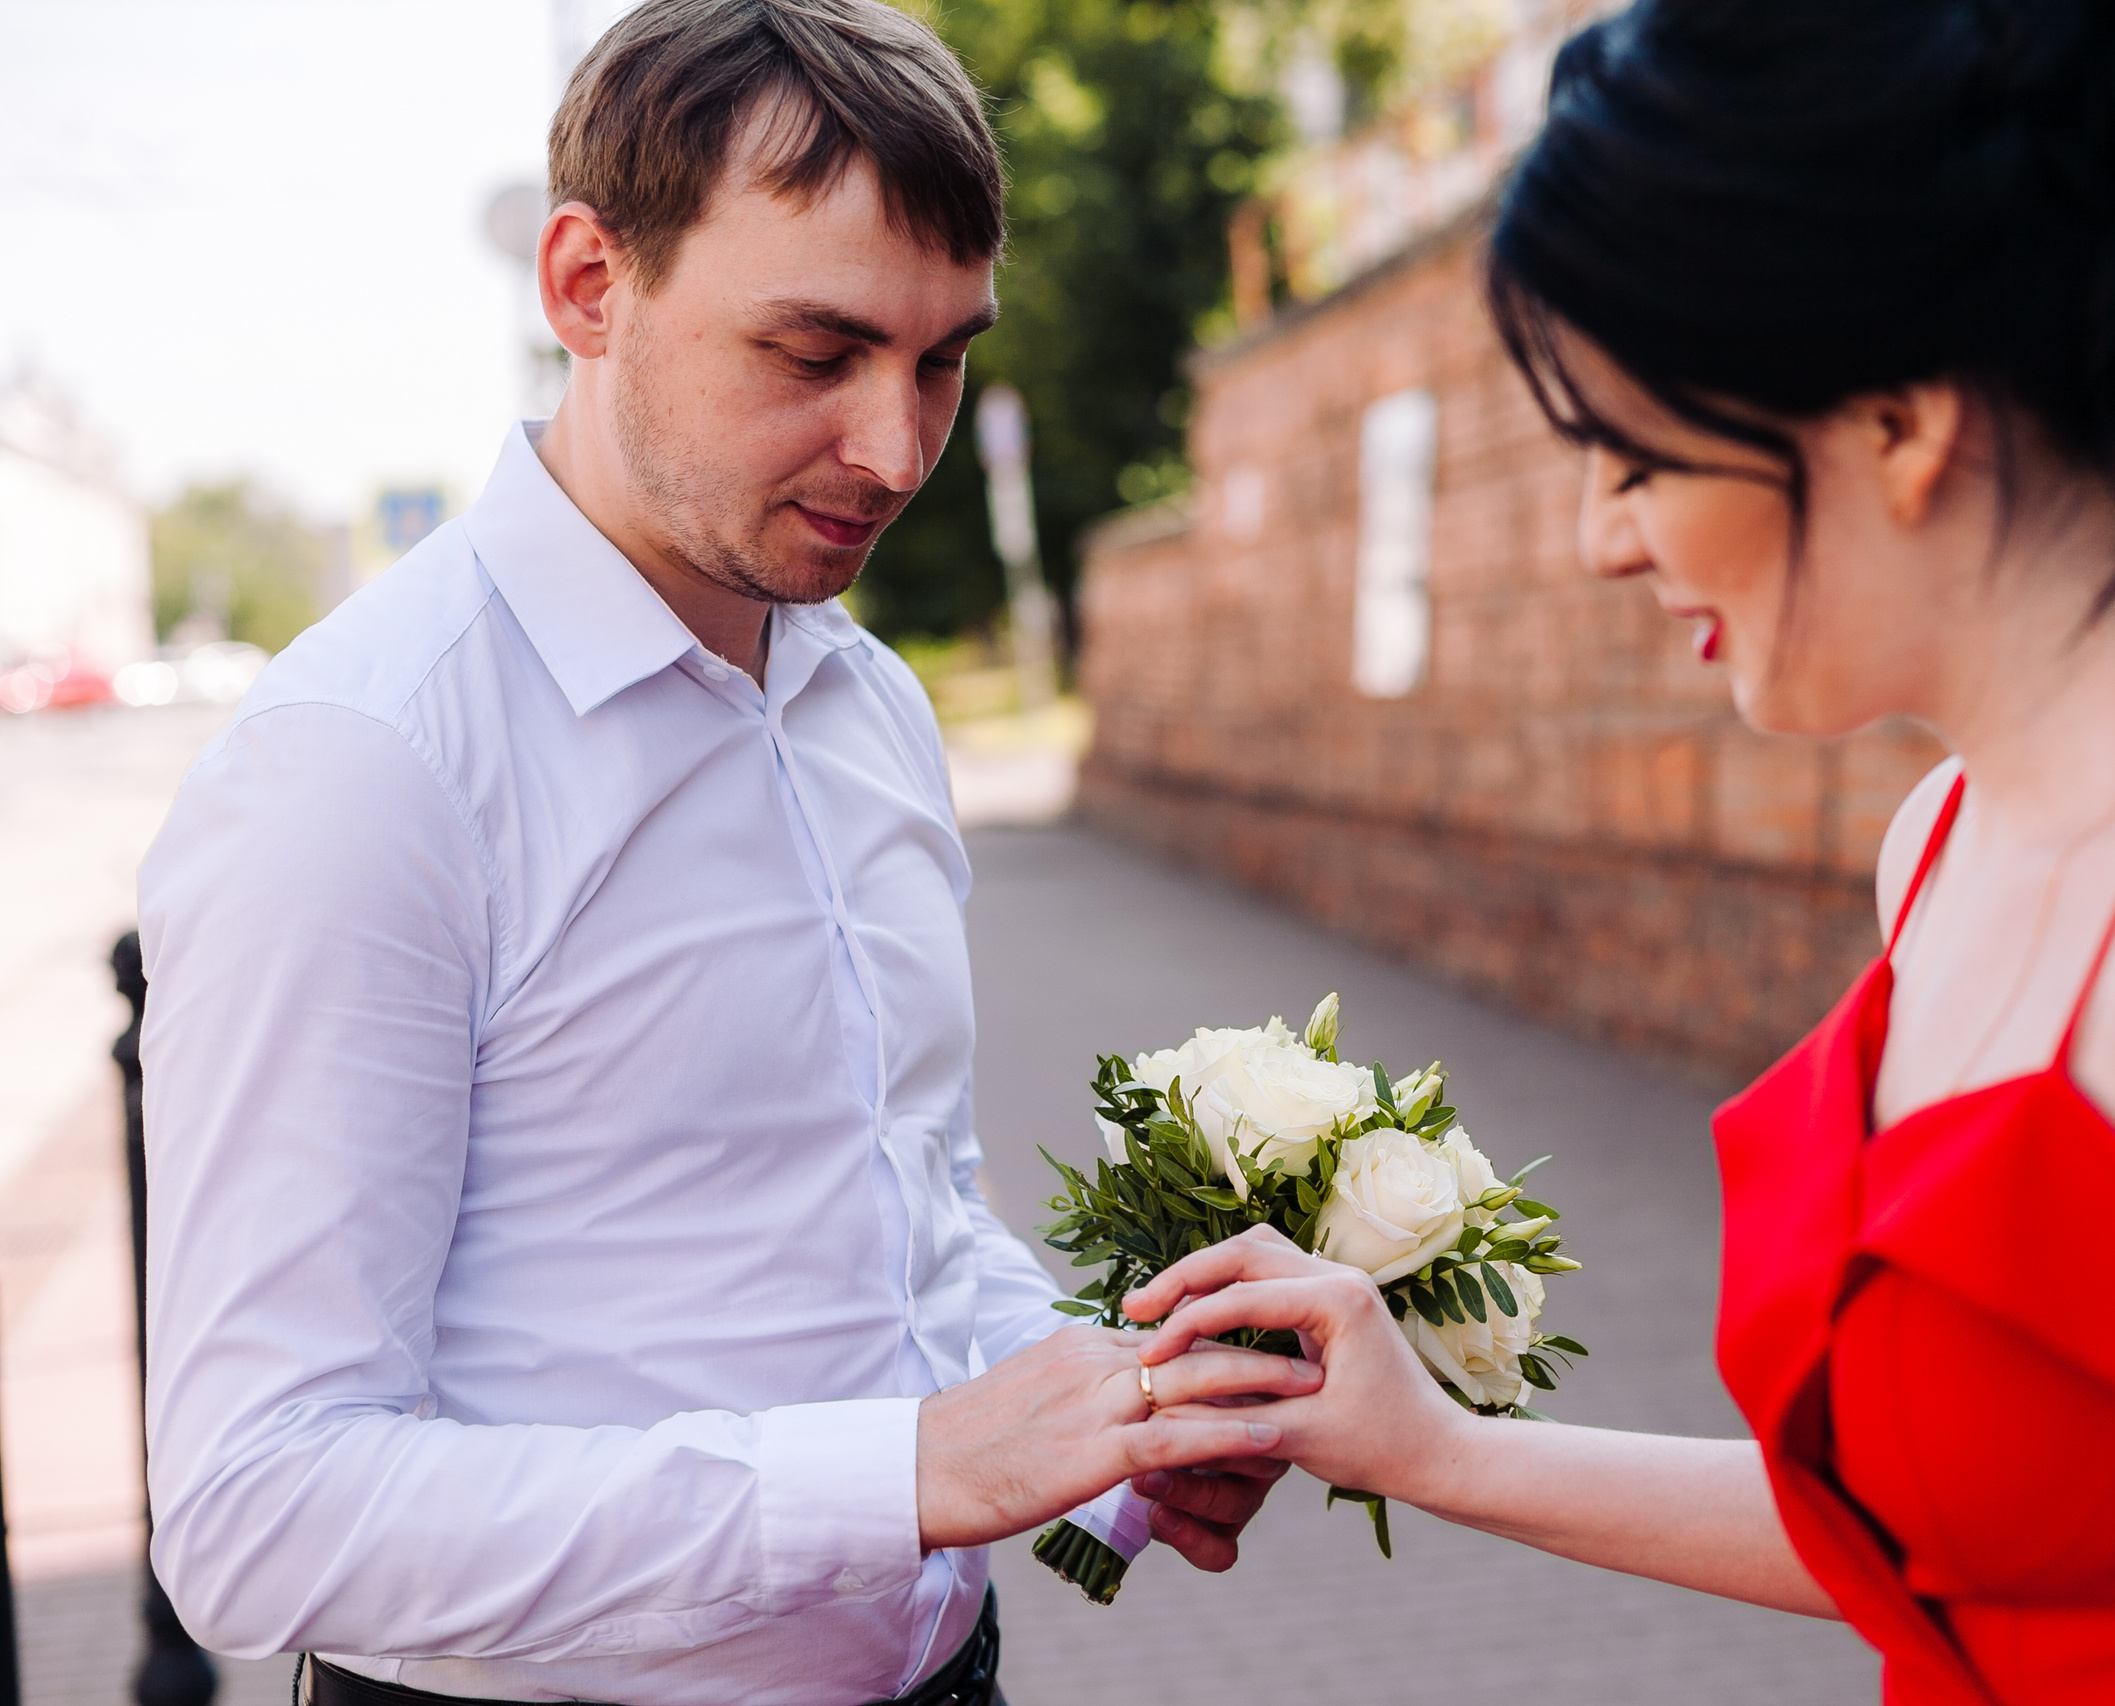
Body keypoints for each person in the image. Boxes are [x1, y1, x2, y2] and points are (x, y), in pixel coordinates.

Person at [1122, 2, 2115, 1700]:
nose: (1596, 540)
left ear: (1901, 416)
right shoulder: (1947, 838)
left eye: (1633, 452)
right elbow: (1954, 1544)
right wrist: (1429, 1444)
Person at [135, 5, 1309, 1704]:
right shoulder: (365, 766)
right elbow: (260, 1509)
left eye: (942, 359)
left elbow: (910, 1211)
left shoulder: (872, 703)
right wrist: (905, 1471)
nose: (896, 449)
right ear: (587, 285)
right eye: (814, 354)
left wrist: (1110, 1415)